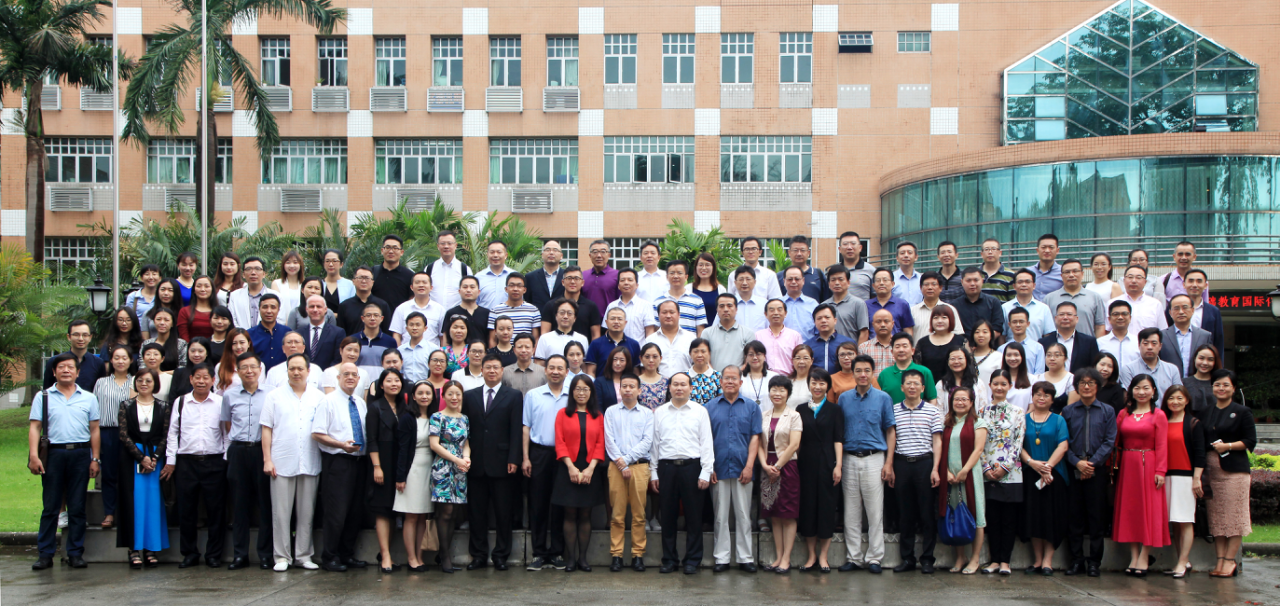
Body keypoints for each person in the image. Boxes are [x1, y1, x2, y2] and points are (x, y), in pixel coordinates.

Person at [28, 352, 102, 571]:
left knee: (77, 506)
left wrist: (95, 458)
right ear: (54, 372)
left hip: (80, 454)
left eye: (70, 367)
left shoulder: (88, 398)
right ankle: (45, 554)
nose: (66, 370)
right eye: (61, 367)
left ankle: (75, 553)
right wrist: (34, 456)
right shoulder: (43, 397)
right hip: (53, 454)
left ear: (78, 372)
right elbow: (35, 427)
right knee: (51, 506)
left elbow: (94, 429)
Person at [260, 353, 324, 571]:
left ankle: (304, 555)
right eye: (292, 368)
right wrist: (267, 459)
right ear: (286, 370)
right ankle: (281, 557)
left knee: (307, 512)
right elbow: (266, 428)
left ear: (308, 371)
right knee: (281, 513)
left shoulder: (318, 397)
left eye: (300, 368)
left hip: (310, 459)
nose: (296, 372)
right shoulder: (274, 396)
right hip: (281, 460)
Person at [162, 363, 227, 568]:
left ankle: (213, 554)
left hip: (214, 461)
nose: (201, 381)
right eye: (197, 377)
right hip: (186, 463)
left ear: (213, 380)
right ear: (190, 379)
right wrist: (171, 461)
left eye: (206, 377)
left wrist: (225, 459)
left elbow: (226, 433)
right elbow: (173, 433)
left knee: (216, 511)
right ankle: (189, 553)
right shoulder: (181, 402)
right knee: (186, 510)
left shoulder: (220, 402)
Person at [650, 372, 715, 575]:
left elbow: (706, 443)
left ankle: (692, 560)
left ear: (690, 388)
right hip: (666, 467)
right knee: (667, 516)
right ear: (669, 388)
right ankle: (669, 559)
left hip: (692, 467)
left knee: (694, 516)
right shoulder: (660, 412)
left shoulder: (700, 411)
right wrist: (654, 473)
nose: (679, 388)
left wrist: (706, 471)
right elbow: (655, 444)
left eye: (683, 384)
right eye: (675, 384)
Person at [463, 355, 524, 571]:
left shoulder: (513, 396)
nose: (491, 371)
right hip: (476, 462)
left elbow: (516, 429)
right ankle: (478, 555)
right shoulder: (469, 396)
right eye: (487, 367)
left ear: (502, 371)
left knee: (503, 512)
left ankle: (501, 555)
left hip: (503, 462)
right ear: (481, 370)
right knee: (476, 512)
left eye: (495, 367)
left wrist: (514, 458)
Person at [834, 355, 893, 574]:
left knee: (875, 511)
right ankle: (854, 557)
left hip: (874, 457)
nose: (862, 374)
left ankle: (875, 558)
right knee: (851, 511)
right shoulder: (844, 398)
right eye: (858, 370)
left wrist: (889, 462)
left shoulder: (883, 398)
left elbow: (890, 430)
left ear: (872, 372)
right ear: (853, 372)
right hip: (849, 457)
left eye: (867, 370)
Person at [310, 363, 370, 572]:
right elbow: (317, 433)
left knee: (355, 511)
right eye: (346, 374)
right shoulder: (328, 401)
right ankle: (330, 556)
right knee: (336, 512)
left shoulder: (360, 403)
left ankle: (347, 554)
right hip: (338, 462)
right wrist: (341, 445)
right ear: (338, 377)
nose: (351, 377)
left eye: (354, 374)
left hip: (359, 462)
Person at [704, 366, 761, 572]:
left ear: (740, 382)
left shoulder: (751, 407)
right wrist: (709, 467)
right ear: (720, 382)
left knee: (743, 514)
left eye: (734, 378)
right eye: (726, 378)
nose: (730, 381)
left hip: (743, 468)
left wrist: (749, 466)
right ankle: (722, 558)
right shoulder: (709, 407)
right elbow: (705, 440)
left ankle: (745, 558)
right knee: (720, 515)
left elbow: (755, 437)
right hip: (718, 468)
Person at [1112, 373, 1170, 576]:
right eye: (1137, 388)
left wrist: (1160, 470)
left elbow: (1162, 445)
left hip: (1149, 464)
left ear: (1153, 391)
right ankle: (1134, 556)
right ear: (1131, 391)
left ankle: (1145, 556)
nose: (1141, 392)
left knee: (1149, 510)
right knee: (1132, 511)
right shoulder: (1123, 414)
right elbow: (1116, 441)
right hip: (1128, 465)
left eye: (1146, 388)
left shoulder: (1159, 415)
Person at [220, 352, 273, 570]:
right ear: (238, 371)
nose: (249, 371)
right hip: (239, 451)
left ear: (260, 370)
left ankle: (266, 554)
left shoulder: (271, 394)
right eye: (244, 367)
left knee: (265, 505)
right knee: (239, 505)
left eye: (253, 367)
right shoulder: (229, 395)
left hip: (263, 452)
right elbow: (227, 424)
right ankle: (240, 555)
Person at [1061, 367, 1116, 577]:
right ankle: (1076, 560)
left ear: (1097, 386)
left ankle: (1094, 562)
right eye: (1082, 383)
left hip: (1097, 470)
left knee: (1096, 517)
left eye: (1091, 383)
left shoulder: (1107, 411)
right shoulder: (1068, 411)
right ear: (1076, 387)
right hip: (1073, 468)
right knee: (1074, 516)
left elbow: (1109, 441)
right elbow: (1063, 441)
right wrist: (1077, 463)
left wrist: (1091, 464)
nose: (1086, 386)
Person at [1204, 369, 1256, 578]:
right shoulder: (1206, 411)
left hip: (1235, 472)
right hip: (1212, 472)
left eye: (1225, 385)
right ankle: (1219, 560)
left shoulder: (1242, 411)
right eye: (1217, 384)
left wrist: (1228, 446)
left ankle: (1229, 561)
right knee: (1217, 519)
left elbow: (1250, 441)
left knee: (1234, 518)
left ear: (1233, 388)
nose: (1221, 388)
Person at [889, 369, 942, 574]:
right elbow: (891, 438)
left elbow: (937, 441)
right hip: (902, 463)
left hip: (925, 463)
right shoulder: (893, 410)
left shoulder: (932, 411)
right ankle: (907, 558)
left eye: (916, 383)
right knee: (905, 513)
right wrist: (890, 465)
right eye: (908, 383)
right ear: (902, 387)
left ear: (922, 387)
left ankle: (927, 559)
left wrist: (935, 468)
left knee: (927, 513)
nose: (912, 387)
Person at [553, 375, 607, 572]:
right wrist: (571, 467)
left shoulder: (597, 415)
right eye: (577, 389)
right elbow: (559, 441)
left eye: (585, 389)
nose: (581, 393)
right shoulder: (563, 414)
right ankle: (570, 559)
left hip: (590, 468)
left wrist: (590, 469)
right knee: (569, 513)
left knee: (585, 514)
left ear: (591, 392)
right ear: (572, 392)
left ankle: (583, 559)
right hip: (567, 467)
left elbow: (600, 443)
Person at [117, 369, 170, 568]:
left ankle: (151, 548)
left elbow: (166, 434)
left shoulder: (164, 406)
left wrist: (155, 457)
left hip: (155, 458)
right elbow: (123, 434)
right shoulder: (126, 405)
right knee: (134, 502)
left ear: (155, 383)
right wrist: (141, 457)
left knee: (153, 503)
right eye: (140, 380)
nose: (144, 384)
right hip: (132, 458)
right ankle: (134, 549)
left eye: (148, 380)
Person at [523, 356, 571, 570]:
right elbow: (526, 427)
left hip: (565, 456)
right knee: (538, 503)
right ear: (545, 370)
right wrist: (526, 457)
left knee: (560, 503)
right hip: (539, 453)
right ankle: (539, 553)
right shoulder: (533, 395)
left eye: (560, 368)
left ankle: (557, 552)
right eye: (551, 367)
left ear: (567, 372)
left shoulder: (572, 396)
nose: (555, 371)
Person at [604, 373, 654, 572]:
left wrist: (627, 460)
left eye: (632, 386)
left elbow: (647, 441)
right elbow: (609, 440)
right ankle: (616, 555)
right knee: (617, 514)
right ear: (620, 389)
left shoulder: (647, 414)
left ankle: (637, 554)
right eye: (624, 386)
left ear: (639, 390)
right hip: (616, 467)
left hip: (640, 467)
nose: (627, 389)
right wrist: (622, 464)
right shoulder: (611, 411)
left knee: (639, 514)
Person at [1020, 380, 1070, 576]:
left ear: (1052, 399)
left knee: (1051, 517)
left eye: (1046, 395)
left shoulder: (1058, 420)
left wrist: (1047, 467)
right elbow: (1017, 445)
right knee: (1033, 517)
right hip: (1030, 472)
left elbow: (1063, 446)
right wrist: (1032, 462)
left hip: (1053, 474)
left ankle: (1048, 561)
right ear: (1032, 397)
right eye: (1038, 394)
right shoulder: (1023, 419)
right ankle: (1038, 560)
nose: (1041, 398)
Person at [937, 386, 988, 575]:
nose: (960, 402)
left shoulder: (978, 422)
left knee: (976, 514)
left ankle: (975, 559)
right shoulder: (946, 423)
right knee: (954, 514)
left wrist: (965, 470)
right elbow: (940, 449)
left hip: (970, 475)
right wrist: (946, 472)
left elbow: (978, 449)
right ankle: (960, 557)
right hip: (950, 476)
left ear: (971, 402)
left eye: (964, 399)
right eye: (956, 399)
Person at [980, 377, 1025, 575]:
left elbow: (1018, 441)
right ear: (990, 385)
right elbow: (979, 444)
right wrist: (986, 468)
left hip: (1011, 473)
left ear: (1010, 386)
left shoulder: (1018, 412)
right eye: (995, 383)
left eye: (1003, 384)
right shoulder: (981, 412)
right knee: (992, 518)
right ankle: (994, 561)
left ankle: (1006, 561)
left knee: (1008, 519)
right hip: (987, 472)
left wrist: (1005, 467)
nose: (999, 387)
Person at [758, 376, 802, 573]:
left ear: (788, 393)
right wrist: (765, 466)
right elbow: (759, 444)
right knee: (774, 514)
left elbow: (794, 444)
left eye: (782, 390)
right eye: (774, 389)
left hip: (787, 466)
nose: (777, 393)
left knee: (788, 514)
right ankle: (777, 557)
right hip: (766, 467)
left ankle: (786, 559)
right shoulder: (763, 415)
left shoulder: (794, 415)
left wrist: (776, 466)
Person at [366, 368, 408, 573]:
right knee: (382, 510)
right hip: (382, 461)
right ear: (381, 385)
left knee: (394, 510)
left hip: (400, 462)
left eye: (397, 380)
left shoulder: (404, 407)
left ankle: (387, 553)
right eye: (389, 381)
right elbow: (371, 439)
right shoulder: (375, 408)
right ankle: (385, 556)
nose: (394, 384)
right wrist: (377, 467)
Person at [1161, 385, 1205, 578]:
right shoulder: (1163, 421)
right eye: (1171, 398)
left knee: (1186, 520)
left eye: (1179, 398)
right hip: (1165, 476)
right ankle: (1182, 560)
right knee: (1175, 522)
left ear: (1187, 400)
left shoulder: (1193, 423)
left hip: (1186, 478)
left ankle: (1182, 562)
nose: (1175, 402)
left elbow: (1200, 454)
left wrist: (1196, 479)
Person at [395, 381, 438, 573]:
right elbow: (403, 449)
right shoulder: (407, 418)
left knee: (423, 516)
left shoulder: (436, 417)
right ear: (413, 396)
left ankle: (420, 557)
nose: (424, 396)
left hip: (430, 468)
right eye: (420, 393)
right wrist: (400, 476)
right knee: (411, 515)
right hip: (412, 469)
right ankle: (411, 558)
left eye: (428, 393)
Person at [430, 381, 472, 573]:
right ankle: (445, 556)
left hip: (460, 468)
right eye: (450, 394)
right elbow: (434, 444)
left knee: (455, 512)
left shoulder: (464, 418)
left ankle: (443, 553)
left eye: (458, 394)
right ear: (443, 396)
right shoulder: (437, 417)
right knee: (445, 511)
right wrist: (456, 459)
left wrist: (466, 458)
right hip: (443, 467)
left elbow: (466, 443)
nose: (454, 398)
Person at [93, 345, 134, 530]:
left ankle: (127, 513)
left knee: (127, 475)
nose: (120, 361)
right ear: (110, 360)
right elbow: (95, 409)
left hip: (129, 433)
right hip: (107, 431)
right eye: (116, 357)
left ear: (130, 361)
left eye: (124, 358)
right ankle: (109, 513)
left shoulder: (135, 382)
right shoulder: (101, 383)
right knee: (108, 474)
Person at [1043, 259, 1107, 337]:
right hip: (1057, 344)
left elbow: (1100, 326)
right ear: (1061, 276)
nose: (1071, 275)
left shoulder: (1094, 297)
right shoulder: (1049, 299)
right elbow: (1045, 329)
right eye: (1067, 272)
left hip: (1086, 344)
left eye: (1075, 271)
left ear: (1082, 274)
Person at [540, 266, 603, 341]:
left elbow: (595, 335)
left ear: (582, 283)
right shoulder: (551, 305)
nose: (572, 281)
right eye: (569, 278)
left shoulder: (591, 306)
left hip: (582, 347)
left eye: (576, 278)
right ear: (563, 282)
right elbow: (544, 333)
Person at [1119, 328, 1183, 400]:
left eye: (1154, 343)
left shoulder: (1172, 370)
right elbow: (1129, 398)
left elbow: (1178, 395)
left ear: (1160, 346)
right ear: (1139, 345)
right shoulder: (1128, 370)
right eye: (1145, 343)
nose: (1149, 347)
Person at [1160, 294, 1214, 377]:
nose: (1181, 312)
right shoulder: (1161, 336)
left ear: (1192, 310)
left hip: (1196, 383)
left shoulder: (1205, 336)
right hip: (1169, 382)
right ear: (1170, 312)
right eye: (1176, 308)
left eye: (1185, 307)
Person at [878, 332, 937, 405]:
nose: (901, 350)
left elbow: (932, 399)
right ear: (892, 352)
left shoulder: (924, 372)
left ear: (912, 351)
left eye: (905, 346)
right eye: (897, 347)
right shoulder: (884, 374)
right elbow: (879, 400)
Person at [1108, 265, 1168, 335]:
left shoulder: (1156, 304)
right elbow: (1107, 330)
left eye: (1138, 277)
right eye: (1130, 277)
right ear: (1124, 280)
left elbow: (1163, 331)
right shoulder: (1112, 303)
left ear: (1145, 282)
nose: (1134, 281)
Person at [389, 272, 446, 346]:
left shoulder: (440, 310)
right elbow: (396, 334)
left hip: (432, 352)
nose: (421, 285)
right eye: (417, 282)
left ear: (431, 287)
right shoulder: (401, 309)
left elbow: (443, 337)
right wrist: (399, 352)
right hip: (407, 352)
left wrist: (441, 352)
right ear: (411, 287)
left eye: (424, 282)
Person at [914, 306, 967, 383]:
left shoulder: (961, 341)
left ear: (951, 319)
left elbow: (970, 367)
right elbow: (917, 369)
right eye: (936, 318)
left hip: (955, 387)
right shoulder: (922, 342)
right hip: (929, 387)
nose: (939, 321)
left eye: (944, 317)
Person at [644, 300, 696, 378]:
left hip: (684, 384)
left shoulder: (691, 338)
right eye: (664, 312)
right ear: (658, 315)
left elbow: (697, 365)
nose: (668, 316)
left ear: (679, 315)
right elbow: (644, 367)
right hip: (659, 384)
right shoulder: (650, 340)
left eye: (672, 312)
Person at [1178, 269, 1224, 355]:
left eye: (1199, 281)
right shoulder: (1174, 309)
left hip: (1204, 359)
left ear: (1205, 285)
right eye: (1191, 281)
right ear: (1184, 284)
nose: (1194, 285)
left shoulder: (1213, 311)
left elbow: (1218, 341)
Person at [953, 267, 1005, 344]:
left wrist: (982, 344)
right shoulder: (954, 305)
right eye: (968, 280)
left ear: (982, 281)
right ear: (962, 282)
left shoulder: (994, 302)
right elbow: (954, 331)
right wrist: (966, 346)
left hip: (988, 347)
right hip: (963, 348)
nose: (972, 284)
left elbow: (997, 329)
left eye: (976, 280)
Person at [606, 268, 659, 342]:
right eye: (622, 280)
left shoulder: (645, 305)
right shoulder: (612, 306)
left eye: (630, 280)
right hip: (615, 348)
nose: (626, 283)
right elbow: (607, 330)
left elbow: (650, 332)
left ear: (637, 285)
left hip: (638, 348)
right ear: (618, 286)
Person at [586, 307, 642, 376]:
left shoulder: (634, 344)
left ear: (625, 322)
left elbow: (636, 372)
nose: (616, 322)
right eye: (612, 319)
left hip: (626, 382)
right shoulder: (596, 344)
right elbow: (591, 372)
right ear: (606, 322)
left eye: (620, 319)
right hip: (602, 382)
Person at [1002, 269, 1055, 342]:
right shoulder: (1005, 308)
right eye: (1020, 282)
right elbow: (1002, 335)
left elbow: (1048, 334)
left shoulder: (1043, 308)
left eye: (1027, 282)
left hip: (1036, 348)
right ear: (1014, 286)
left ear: (1034, 285)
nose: (1024, 285)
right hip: (1011, 348)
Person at [489, 273, 541, 346]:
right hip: (502, 352)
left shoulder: (533, 310)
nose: (515, 289)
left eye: (519, 286)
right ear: (506, 289)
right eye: (512, 285)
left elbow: (536, 338)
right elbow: (492, 340)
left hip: (525, 352)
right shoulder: (495, 311)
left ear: (524, 290)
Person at [911, 272, 963, 346]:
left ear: (940, 288)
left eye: (934, 284)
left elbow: (958, 334)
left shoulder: (950, 309)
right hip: (920, 352)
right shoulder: (912, 311)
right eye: (926, 284)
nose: (930, 287)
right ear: (920, 287)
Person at [337, 266, 391, 335]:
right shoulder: (344, 306)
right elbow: (341, 333)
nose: (364, 281)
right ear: (353, 281)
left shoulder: (382, 305)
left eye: (367, 278)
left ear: (372, 282)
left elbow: (387, 332)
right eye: (360, 278)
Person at [822, 264, 870, 343]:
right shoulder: (823, 306)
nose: (837, 283)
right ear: (829, 284)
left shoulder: (858, 304)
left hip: (851, 349)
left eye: (841, 279)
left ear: (848, 282)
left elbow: (864, 332)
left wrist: (858, 350)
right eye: (833, 280)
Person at [425, 230, 471, 311]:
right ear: (438, 246)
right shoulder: (429, 269)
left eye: (450, 243)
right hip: (433, 313)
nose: (446, 246)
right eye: (442, 243)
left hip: (457, 315)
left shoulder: (465, 269)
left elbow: (470, 294)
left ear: (455, 245)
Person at [228, 257, 278, 330]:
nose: (253, 273)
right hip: (242, 335)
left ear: (264, 274)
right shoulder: (234, 296)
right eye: (249, 269)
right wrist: (242, 334)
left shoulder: (276, 296)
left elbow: (280, 320)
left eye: (257, 269)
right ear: (243, 274)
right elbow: (232, 320)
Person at [936, 348, 990, 412]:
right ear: (947, 362)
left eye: (960, 358)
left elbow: (982, 408)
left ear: (967, 360)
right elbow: (939, 410)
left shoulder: (977, 382)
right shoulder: (942, 384)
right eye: (952, 359)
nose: (956, 362)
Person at [372, 234, 415, 312]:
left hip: (400, 318)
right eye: (387, 247)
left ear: (401, 252)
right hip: (375, 318)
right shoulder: (372, 273)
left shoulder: (409, 275)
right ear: (382, 250)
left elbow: (412, 301)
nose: (391, 251)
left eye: (395, 248)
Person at [779, 235, 829, 302]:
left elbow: (826, 300)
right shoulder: (780, 276)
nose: (799, 254)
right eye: (795, 250)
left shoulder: (818, 274)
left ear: (808, 253)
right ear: (789, 253)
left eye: (802, 250)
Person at [446, 275, 492, 346]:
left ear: (478, 291)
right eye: (465, 287)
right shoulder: (451, 313)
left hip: (482, 352)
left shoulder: (487, 313)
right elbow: (446, 339)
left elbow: (491, 339)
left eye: (472, 287)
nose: (468, 290)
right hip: (458, 352)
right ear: (459, 291)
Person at [301, 294, 345, 370]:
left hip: (328, 374)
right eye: (312, 306)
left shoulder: (338, 333)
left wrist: (326, 373)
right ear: (306, 309)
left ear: (325, 309)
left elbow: (338, 358)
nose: (315, 310)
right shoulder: (299, 333)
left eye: (319, 306)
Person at [997, 307, 1046, 375]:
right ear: (1009, 325)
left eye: (1021, 322)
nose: (1018, 325)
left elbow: (1039, 373)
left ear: (1028, 324)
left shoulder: (1038, 348)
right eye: (1014, 322)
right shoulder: (1002, 349)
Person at [807, 303, 854, 374]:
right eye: (819, 318)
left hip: (841, 380)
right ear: (814, 322)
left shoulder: (848, 343)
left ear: (835, 320)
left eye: (827, 317)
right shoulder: (808, 345)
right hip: (816, 380)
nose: (823, 321)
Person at [866, 268, 914, 335]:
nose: (881, 283)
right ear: (873, 286)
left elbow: (908, 331)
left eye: (885, 280)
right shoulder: (866, 305)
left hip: (895, 341)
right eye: (878, 280)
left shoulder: (902, 304)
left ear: (892, 284)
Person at [247, 294, 288, 371]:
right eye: (265, 307)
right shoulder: (249, 334)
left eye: (273, 307)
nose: (269, 311)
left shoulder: (287, 333)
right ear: (259, 309)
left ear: (278, 310)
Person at [141, 307, 187, 372]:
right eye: (158, 319)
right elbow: (142, 366)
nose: (162, 323)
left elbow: (183, 367)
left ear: (172, 323)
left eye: (166, 320)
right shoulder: (146, 343)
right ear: (154, 322)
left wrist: (163, 374)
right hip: (150, 377)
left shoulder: (181, 344)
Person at [1098, 300, 1140, 370]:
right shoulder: (1100, 343)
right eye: (1116, 314)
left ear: (1130, 318)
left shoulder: (1138, 342)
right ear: (1109, 319)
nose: (1120, 317)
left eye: (1124, 314)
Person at [525, 239, 567, 310]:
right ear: (542, 255)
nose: (551, 253)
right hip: (537, 316)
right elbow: (528, 300)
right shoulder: (530, 277)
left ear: (561, 256)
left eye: (555, 250)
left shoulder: (567, 277)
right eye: (547, 250)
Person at [398, 312, 440, 382]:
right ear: (407, 328)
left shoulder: (433, 349)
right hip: (406, 386)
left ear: (425, 328)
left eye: (418, 325)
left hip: (426, 386)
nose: (414, 328)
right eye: (411, 325)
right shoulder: (400, 350)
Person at [1184, 344, 1220, 421]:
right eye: (1201, 358)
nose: (1205, 363)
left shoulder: (1219, 384)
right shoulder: (1184, 383)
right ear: (1195, 358)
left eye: (1210, 359)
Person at [582, 239, 621, 311]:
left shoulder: (617, 275)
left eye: (603, 252)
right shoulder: (583, 275)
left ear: (609, 255)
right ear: (590, 255)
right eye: (595, 252)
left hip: (609, 317)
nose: (599, 255)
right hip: (586, 318)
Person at [728, 266, 769, 333]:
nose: (744, 283)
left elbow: (770, 328)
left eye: (748, 279)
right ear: (735, 283)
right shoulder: (727, 304)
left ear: (755, 282)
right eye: (741, 279)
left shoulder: (764, 304)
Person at [781, 266, 819, 339]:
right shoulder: (777, 304)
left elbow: (818, 330)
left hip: (807, 345)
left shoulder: (813, 304)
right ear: (784, 281)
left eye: (797, 279)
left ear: (803, 281)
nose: (793, 282)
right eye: (790, 279)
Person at [740, 236, 782, 301]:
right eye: (747, 249)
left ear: (760, 252)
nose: (750, 252)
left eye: (754, 249)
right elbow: (730, 300)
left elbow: (775, 300)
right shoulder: (733, 275)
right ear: (742, 253)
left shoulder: (769, 275)